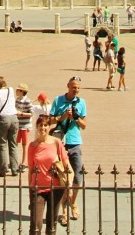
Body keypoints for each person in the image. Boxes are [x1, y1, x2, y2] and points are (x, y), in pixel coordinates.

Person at [50, 76, 87, 223]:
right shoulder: (58, 100)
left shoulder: (81, 102)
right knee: (62, 178)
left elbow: (84, 125)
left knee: (78, 177)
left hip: (75, 142)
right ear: (68, 86)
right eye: (73, 87)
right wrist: (63, 116)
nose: (75, 89)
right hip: (60, 143)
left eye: (78, 87)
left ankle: (72, 201)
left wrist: (76, 119)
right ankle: (64, 210)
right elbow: (50, 120)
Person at [28, 114, 73, 235]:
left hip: (55, 187)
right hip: (38, 188)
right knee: (35, 226)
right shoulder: (32, 146)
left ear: (49, 127)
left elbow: (66, 164)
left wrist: (69, 184)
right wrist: (30, 189)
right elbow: (31, 169)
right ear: (37, 127)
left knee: (51, 225)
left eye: (46, 125)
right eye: (41, 125)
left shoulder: (56, 143)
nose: (43, 128)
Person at [0, 76, 19, 176]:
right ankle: (15, 169)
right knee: (13, 144)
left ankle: (3, 170)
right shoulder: (10, 90)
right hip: (14, 117)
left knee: (2, 144)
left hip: (4, 119)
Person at [15, 82, 34, 170]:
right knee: (15, 143)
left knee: (24, 144)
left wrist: (21, 114)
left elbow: (31, 113)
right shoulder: (17, 100)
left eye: (18, 90)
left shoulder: (27, 101)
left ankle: (24, 162)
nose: (16, 91)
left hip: (25, 125)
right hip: (17, 125)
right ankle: (14, 161)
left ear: (22, 91)